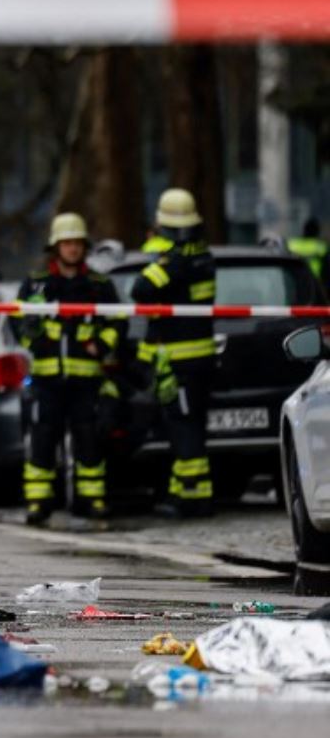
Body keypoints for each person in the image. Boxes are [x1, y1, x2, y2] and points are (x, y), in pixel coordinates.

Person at [14, 213, 121, 527]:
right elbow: (16, 321)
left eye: (77, 244)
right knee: (43, 440)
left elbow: (117, 322)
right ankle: (38, 502)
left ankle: (92, 499)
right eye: (67, 243)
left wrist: (100, 345)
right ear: (56, 247)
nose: (72, 249)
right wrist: (33, 336)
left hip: (86, 380)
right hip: (47, 379)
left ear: (84, 247)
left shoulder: (99, 286)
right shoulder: (36, 284)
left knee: (89, 438)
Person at [132, 188, 218, 518]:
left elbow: (139, 289)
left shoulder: (177, 262)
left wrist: (160, 261)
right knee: (189, 424)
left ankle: (194, 497)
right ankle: (184, 490)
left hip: (182, 360)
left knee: (185, 427)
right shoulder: (204, 258)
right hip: (201, 358)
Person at [289, 217, 326, 291]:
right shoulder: (321, 247)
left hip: (294, 284)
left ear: (304, 230)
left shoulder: (292, 245)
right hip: (315, 285)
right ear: (317, 232)